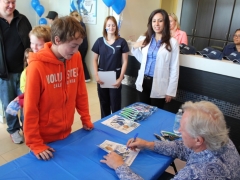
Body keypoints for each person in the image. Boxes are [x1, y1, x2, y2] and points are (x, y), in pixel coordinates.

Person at [101, 101, 240, 179]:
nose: (178, 130)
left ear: (198, 140)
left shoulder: (199, 173)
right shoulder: (221, 139)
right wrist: (149, 144)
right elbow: (182, 148)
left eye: (182, 129)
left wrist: (119, 166)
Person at [23, 16, 94, 160]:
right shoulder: (36, 66)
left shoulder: (75, 57)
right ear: (57, 40)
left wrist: (85, 117)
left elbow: (80, 91)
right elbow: (30, 108)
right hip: (43, 137)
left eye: (79, 45)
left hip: (66, 131)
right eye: (73, 46)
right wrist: (35, 143)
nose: (76, 50)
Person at [132, 9, 179, 109]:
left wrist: (170, 91)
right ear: (150, 23)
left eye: (160, 21)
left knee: (155, 114)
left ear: (165, 22)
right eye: (154, 21)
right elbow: (143, 59)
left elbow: (174, 68)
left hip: (159, 83)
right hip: (143, 81)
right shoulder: (145, 38)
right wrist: (136, 45)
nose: (156, 24)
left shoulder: (173, 42)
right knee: (143, 112)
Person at [0, 0, 32, 144]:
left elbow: (32, 41)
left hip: (25, 70)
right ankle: (13, 130)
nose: (11, 5)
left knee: (28, 102)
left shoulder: (22, 19)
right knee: (9, 105)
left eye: (13, 2)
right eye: (8, 2)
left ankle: (28, 127)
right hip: (4, 73)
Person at [92, 16, 129, 118]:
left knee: (115, 105)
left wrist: (120, 78)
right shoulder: (99, 41)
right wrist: (96, 76)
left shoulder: (122, 42)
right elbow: (94, 60)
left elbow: (125, 61)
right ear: (105, 27)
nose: (111, 27)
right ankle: (104, 125)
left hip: (115, 77)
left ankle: (115, 126)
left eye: (113, 25)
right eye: (108, 25)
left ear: (116, 27)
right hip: (102, 76)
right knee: (104, 104)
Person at [70, 10, 91, 82]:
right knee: (81, 61)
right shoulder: (81, 24)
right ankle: (85, 77)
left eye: (75, 16)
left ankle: (86, 77)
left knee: (81, 60)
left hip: (81, 45)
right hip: (82, 45)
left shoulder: (79, 24)